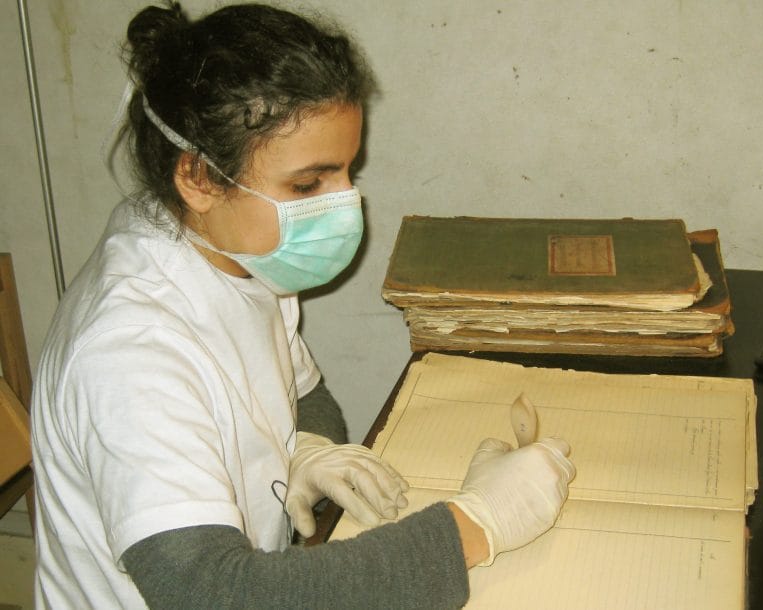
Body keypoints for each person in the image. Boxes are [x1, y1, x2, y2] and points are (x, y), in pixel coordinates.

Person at [30, 3, 575, 608]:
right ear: (199, 178)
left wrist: (307, 449)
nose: (346, 204)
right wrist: (476, 526)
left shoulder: (236, 250)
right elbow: (209, 595)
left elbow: (303, 392)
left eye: (347, 171)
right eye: (308, 185)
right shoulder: (130, 353)